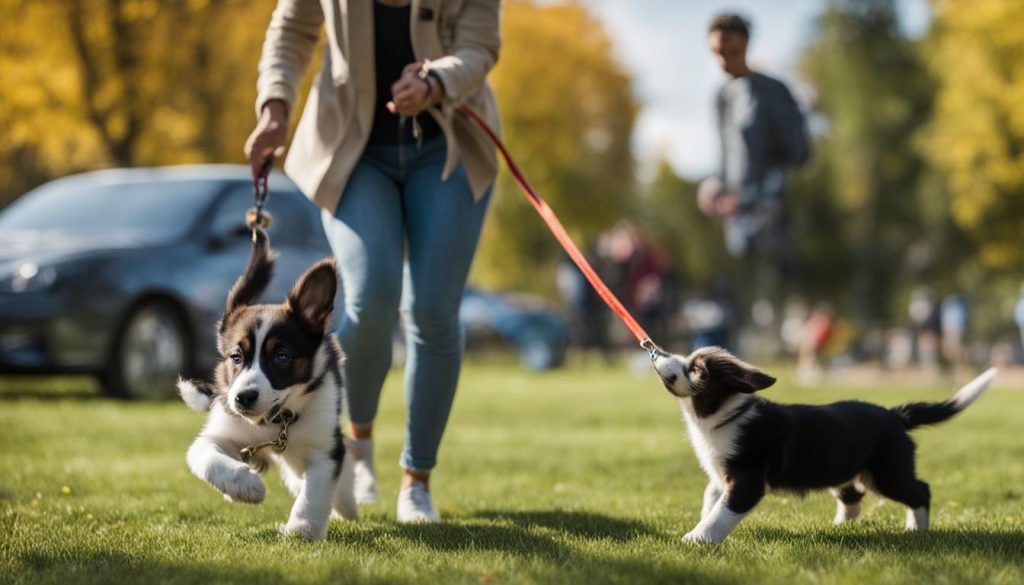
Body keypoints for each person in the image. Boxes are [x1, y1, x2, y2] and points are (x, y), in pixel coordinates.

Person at [244, 0, 501, 523]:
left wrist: (435, 81)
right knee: (371, 295)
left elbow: (479, 47)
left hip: (446, 144)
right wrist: (275, 106)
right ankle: (356, 446)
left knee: (432, 310)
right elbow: (291, 31)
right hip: (352, 148)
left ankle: (417, 480)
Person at [697, 13, 809, 331]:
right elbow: (724, 159)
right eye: (717, 53)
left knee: (772, 288)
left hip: (772, 211)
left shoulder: (774, 92)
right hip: (735, 214)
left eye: (730, 52)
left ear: (745, 45)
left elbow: (798, 155)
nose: (723, 61)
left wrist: (762, 195)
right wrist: (715, 189)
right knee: (736, 292)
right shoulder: (721, 98)